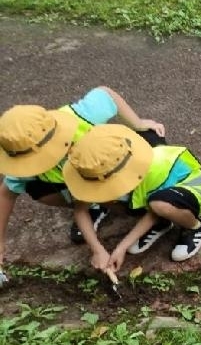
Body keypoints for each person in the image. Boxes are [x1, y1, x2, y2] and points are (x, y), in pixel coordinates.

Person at [0, 87, 164, 274]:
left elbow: (106, 93)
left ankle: (153, 210)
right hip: (85, 183)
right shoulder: (21, 158)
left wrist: (138, 123)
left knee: (151, 157)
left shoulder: (82, 116)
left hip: (116, 162)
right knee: (37, 189)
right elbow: (6, 193)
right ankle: (95, 205)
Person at [65, 124, 201, 274]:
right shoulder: (89, 164)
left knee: (160, 205)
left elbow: (154, 209)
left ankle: (195, 227)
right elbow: (80, 209)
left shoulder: (148, 168)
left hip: (190, 190)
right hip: (155, 199)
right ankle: (163, 222)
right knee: (108, 197)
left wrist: (120, 247)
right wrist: (97, 250)